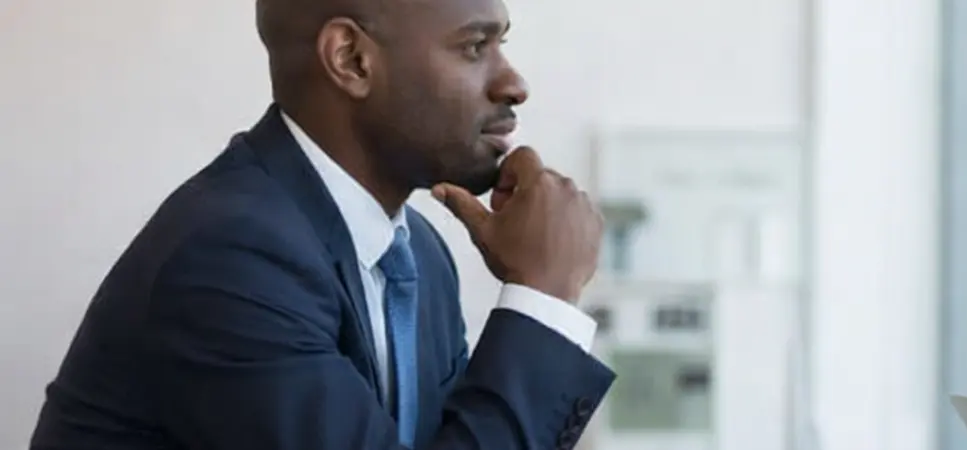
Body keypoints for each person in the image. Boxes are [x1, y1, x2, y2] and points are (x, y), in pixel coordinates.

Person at [29, 0, 613, 448]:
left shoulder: (421, 257)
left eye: (501, 43)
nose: (514, 83)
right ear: (351, 60)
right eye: (474, 46)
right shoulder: (230, 257)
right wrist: (544, 297)